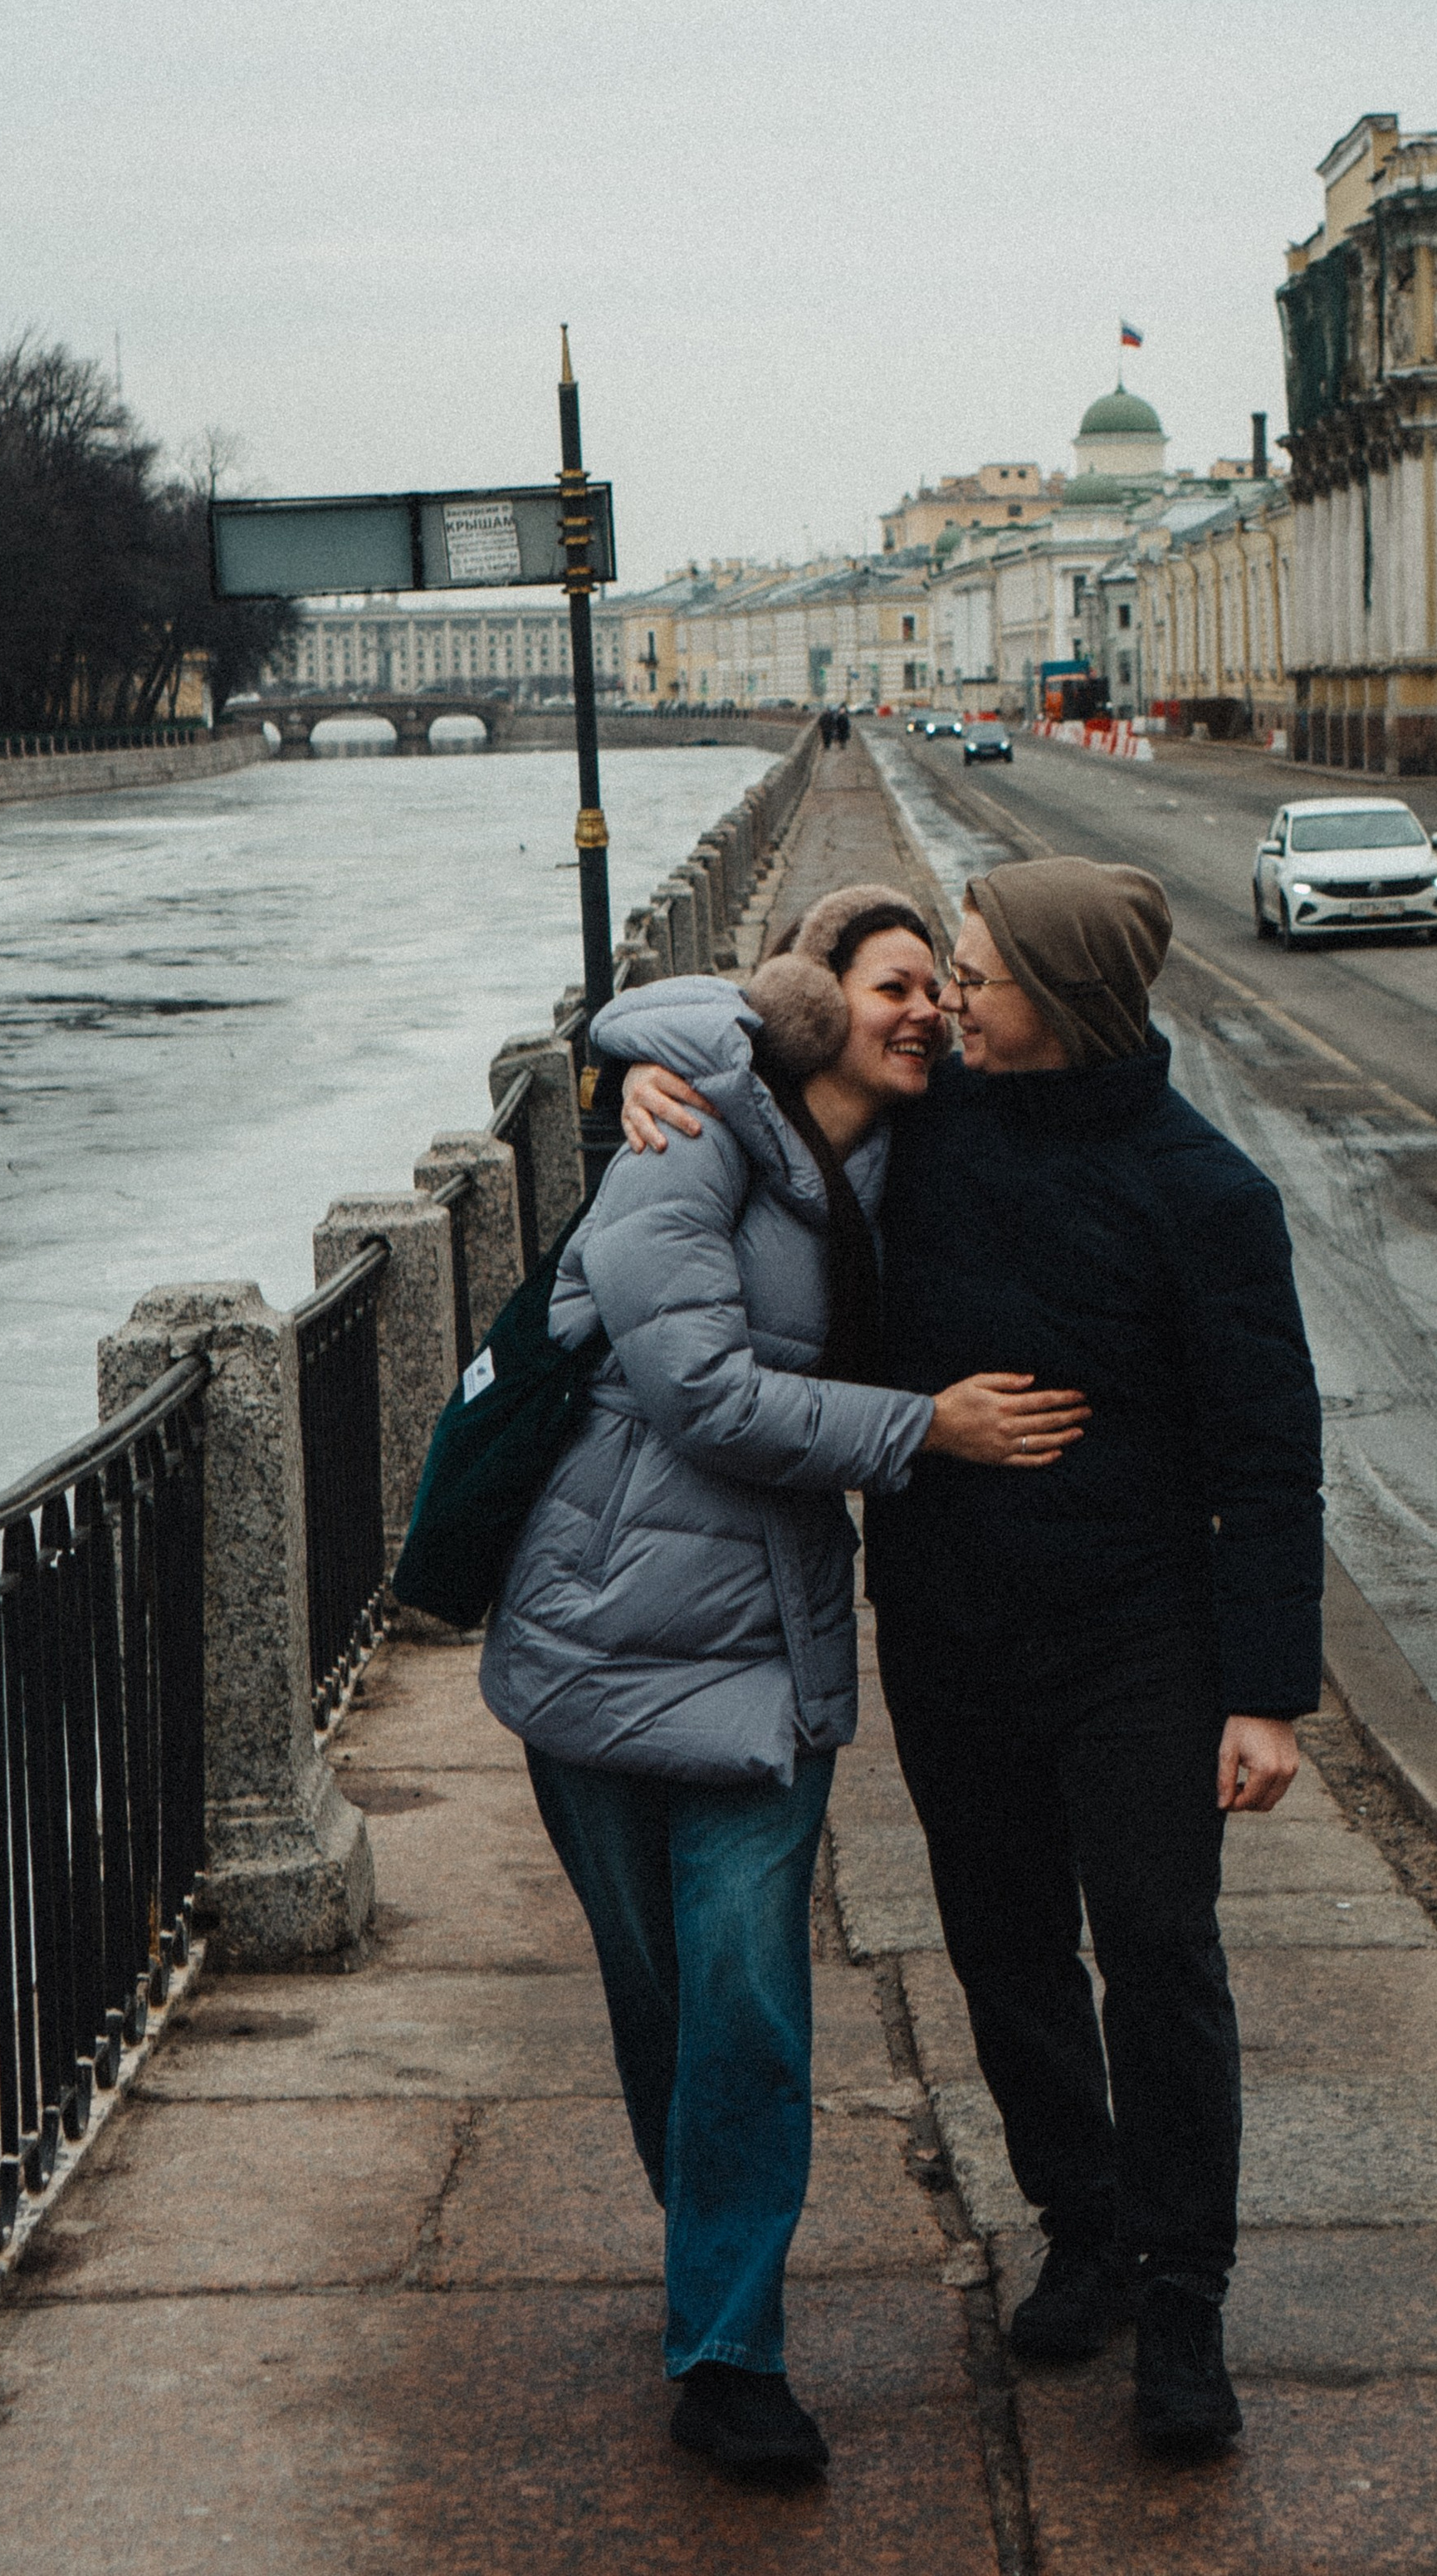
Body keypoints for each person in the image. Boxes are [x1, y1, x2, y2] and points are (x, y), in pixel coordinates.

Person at [621, 855, 1324, 2460]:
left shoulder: (1208, 1195)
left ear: (1061, 999)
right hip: (952, 1632)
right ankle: (1085, 2229)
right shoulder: (929, 1134)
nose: (948, 1003)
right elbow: (750, 1057)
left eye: (979, 976)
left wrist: (1267, 1694)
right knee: (1005, 1951)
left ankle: (1186, 2301)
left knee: (1159, 1956)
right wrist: (651, 1085)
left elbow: (1271, 1458)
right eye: (944, 974)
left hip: (1140, 1645)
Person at [481, 884, 1088, 2480]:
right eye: (894, 987)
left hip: (767, 1650)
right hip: (601, 1633)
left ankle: (729, 2351)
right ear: (812, 1006)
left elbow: (1077, 1098)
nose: (925, 1014)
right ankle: (714, 2262)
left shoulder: (917, 1157)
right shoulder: (680, 1142)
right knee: (660, 2002)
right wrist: (922, 1429)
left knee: (748, 2002)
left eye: (939, 991)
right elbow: (698, 1392)